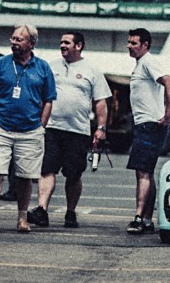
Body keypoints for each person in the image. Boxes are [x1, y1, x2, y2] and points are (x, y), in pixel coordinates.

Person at [27, 32, 111, 230]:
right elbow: (40, 95)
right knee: (47, 169)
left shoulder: (92, 70)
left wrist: (101, 128)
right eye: (61, 42)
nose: (62, 45)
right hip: (52, 128)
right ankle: (42, 210)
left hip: (78, 131)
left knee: (73, 174)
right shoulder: (51, 67)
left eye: (66, 42)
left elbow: (100, 102)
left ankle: (71, 212)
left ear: (78, 46)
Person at [0, 24, 57, 233]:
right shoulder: (0, 64)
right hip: (1, 128)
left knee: (25, 176)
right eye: (12, 39)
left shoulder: (43, 68)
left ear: (31, 43)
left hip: (30, 131)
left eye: (18, 40)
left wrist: (41, 126)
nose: (13, 43)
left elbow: (49, 99)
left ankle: (22, 218)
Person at [125, 28, 170, 235]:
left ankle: (138, 218)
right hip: (145, 125)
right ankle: (146, 219)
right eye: (128, 42)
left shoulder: (148, 62)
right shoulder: (141, 64)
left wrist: (168, 114)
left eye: (133, 43)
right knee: (147, 171)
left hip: (149, 125)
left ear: (145, 45)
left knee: (143, 172)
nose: (129, 46)